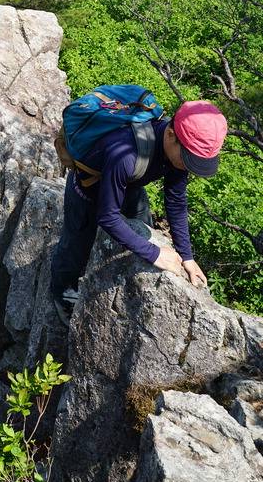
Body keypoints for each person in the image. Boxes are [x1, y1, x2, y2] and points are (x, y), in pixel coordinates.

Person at [51, 100, 228, 320]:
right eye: (189, 159)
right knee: (74, 249)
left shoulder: (178, 151)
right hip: (88, 191)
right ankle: (63, 296)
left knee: (142, 237)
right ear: (171, 134)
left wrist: (187, 256)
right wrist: (154, 254)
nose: (188, 166)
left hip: (130, 187)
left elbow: (176, 201)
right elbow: (108, 217)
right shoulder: (125, 154)